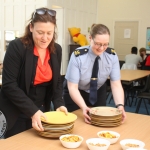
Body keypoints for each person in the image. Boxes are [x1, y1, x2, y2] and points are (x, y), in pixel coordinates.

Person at [0, 7, 67, 138]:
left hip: (41, 109)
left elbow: (57, 81)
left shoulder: (56, 49)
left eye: (49, 33)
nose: (45, 38)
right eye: (40, 32)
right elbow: (9, 85)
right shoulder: (17, 47)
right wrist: (32, 111)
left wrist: (59, 103)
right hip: (16, 111)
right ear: (31, 27)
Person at [63, 24, 126, 124]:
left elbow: (116, 84)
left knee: (99, 122)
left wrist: (120, 106)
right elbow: (72, 87)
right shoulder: (78, 56)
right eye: (98, 44)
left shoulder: (112, 56)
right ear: (90, 38)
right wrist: (83, 107)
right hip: (76, 91)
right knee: (76, 123)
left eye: (105, 44)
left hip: (97, 90)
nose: (101, 48)